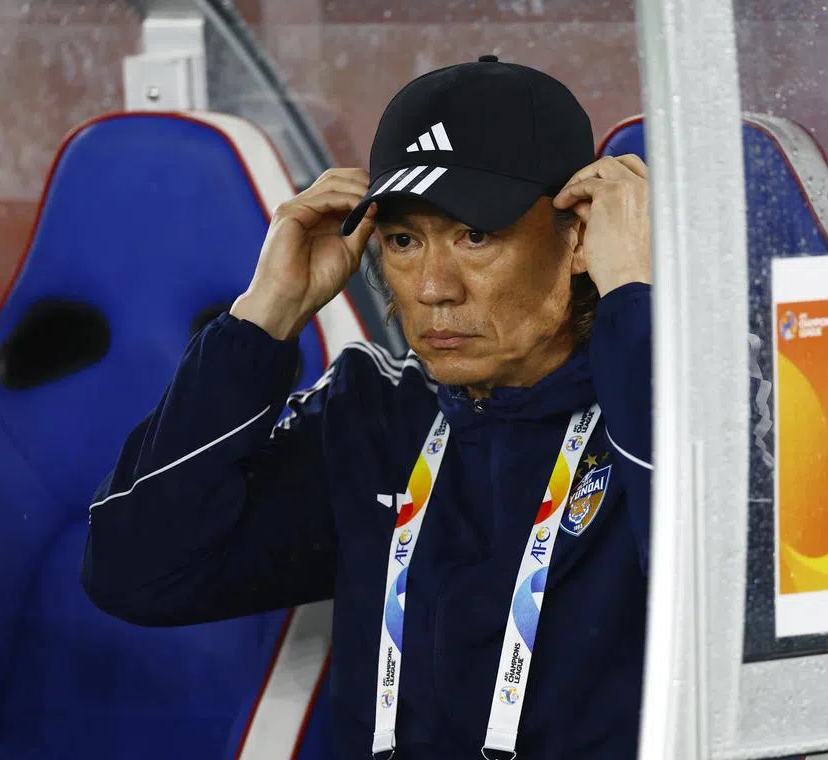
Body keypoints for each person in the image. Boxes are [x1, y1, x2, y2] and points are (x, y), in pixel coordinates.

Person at [82, 56, 652, 759]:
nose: (435, 288)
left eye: (475, 235)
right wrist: (263, 319)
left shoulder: (669, 412)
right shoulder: (374, 412)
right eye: (404, 241)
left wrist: (636, 306)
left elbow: (726, 612)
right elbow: (136, 574)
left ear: (577, 236)